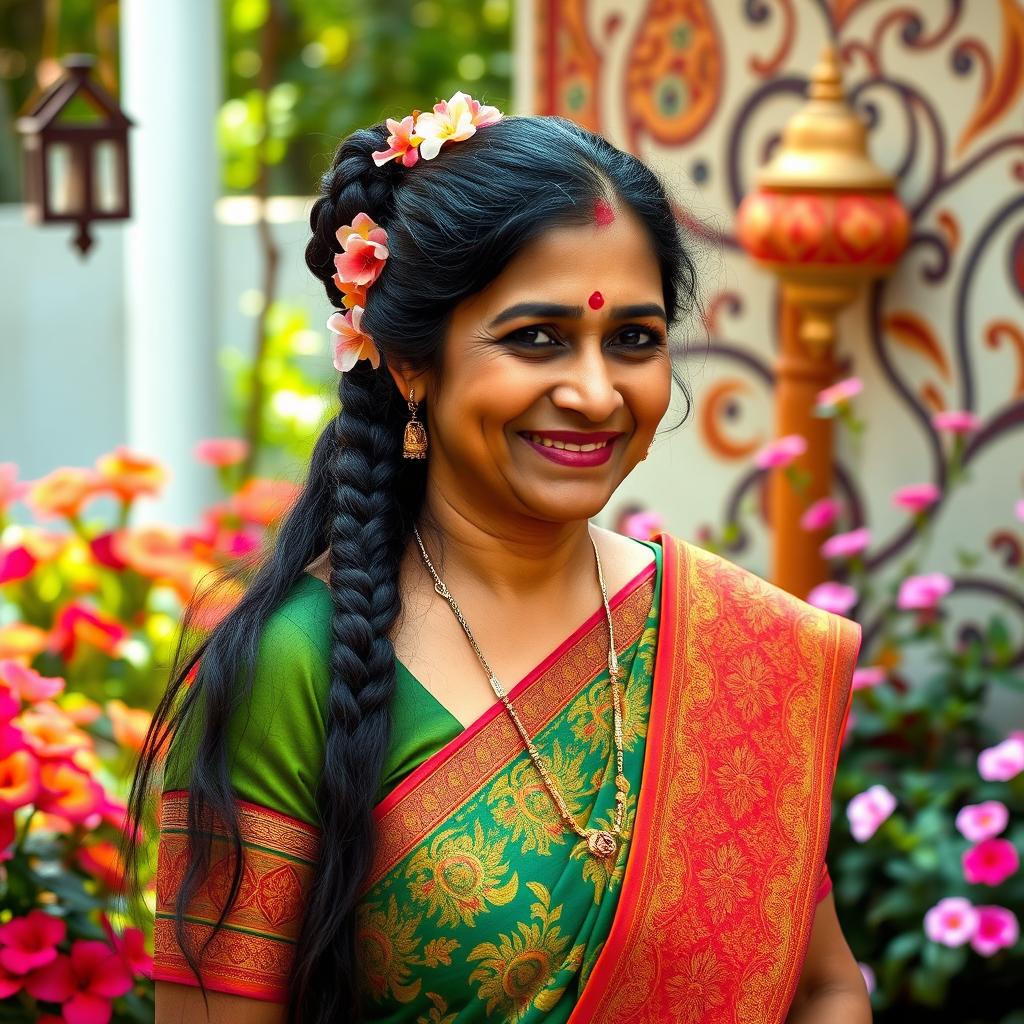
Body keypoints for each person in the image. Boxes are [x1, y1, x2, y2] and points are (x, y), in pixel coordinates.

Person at [130, 92, 871, 1024]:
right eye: (537, 339)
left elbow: (825, 987)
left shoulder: (733, 650)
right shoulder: (291, 665)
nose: (598, 393)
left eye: (633, 340)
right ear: (408, 360)